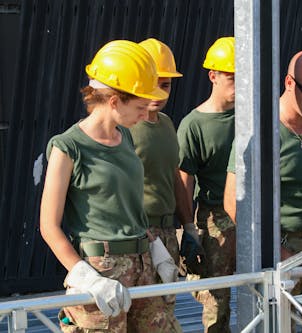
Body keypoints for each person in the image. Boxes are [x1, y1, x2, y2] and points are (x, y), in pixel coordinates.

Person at [39, 40, 177, 332]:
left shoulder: (124, 137)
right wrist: (86, 277)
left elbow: (129, 208)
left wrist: (155, 249)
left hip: (142, 266)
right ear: (114, 101)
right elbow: (48, 226)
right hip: (101, 274)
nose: (145, 114)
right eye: (139, 106)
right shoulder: (68, 148)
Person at [224, 49, 302, 332]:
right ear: (290, 83)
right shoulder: (259, 132)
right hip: (277, 248)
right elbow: (233, 204)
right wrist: (275, 251)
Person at [129, 37, 191, 333]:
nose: (157, 91)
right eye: (151, 82)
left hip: (167, 234)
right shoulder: (124, 128)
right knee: (146, 319)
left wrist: (188, 227)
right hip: (139, 237)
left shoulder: (167, 123)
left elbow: (175, 176)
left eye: (164, 85)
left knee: (164, 312)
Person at [177, 36, 236, 333]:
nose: (239, 83)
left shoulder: (254, 116)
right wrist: (188, 231)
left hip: (257, 212)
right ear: (213, 75)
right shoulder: (194, 125)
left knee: (270, 287)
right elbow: (183, 182)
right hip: (215, 218)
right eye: (231, 76)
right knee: (217, 299)